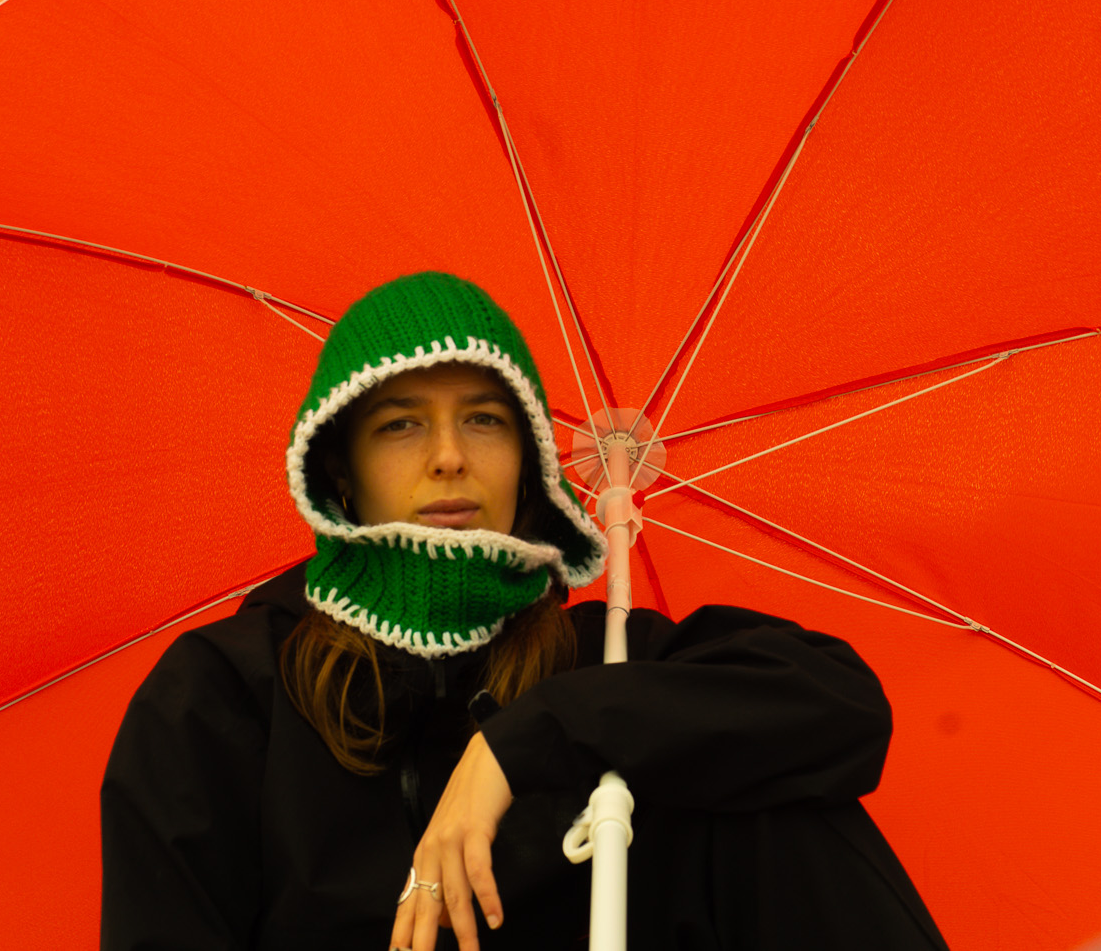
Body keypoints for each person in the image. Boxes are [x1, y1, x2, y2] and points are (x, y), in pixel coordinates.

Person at [101, 272, 948, 950]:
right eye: (400, 425)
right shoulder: (222, 692)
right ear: (341, 472)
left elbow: (841, 708)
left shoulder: (604, 660)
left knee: (765, 787)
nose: (448, 456)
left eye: (483, 419)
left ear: (528, 461)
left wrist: (528, 740)